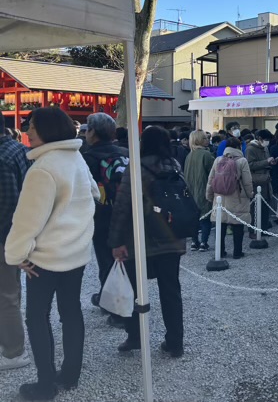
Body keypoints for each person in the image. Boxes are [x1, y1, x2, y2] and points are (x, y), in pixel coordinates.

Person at [5, 107, 99, 399]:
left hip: (44, 258)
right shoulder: (76, 158)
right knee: (71, 313)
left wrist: (17, 254)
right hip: (76, 254)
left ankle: (45, 384)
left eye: (32, 126)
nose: (27, 131)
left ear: (46, 130)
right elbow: (94, 195)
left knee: (37, 317)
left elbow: (26, 220)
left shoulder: (43, 168)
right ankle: (70, 374)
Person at [109, 126, 186, 358]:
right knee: (171, 290)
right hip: (171, 236)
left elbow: (123, 206)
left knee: (133, 289)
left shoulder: (136, 167)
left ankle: (135, 337)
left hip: (140, 238)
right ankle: (175, 342)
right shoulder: (174, 165)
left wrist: (116, 240)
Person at [82, 113, 129, 329]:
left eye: (87, 129)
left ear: (93, 132)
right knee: (125, 259)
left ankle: (113, 305)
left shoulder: (88, 157)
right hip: (128, 213)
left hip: (101, 214)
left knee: (106, 260)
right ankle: (118, 297)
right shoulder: (126, 154)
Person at [0, 126, 31, 372]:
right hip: (20, 231)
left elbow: (6, 202)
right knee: (11, 292)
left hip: (4, 235)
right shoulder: (21, 150)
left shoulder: (2, 157)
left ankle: (13, 352)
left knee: (6, 296)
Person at [206, 138, 253, 259]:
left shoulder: (218, 160)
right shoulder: (242, 161)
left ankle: (220, 252)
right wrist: (250, 194)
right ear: (239, 147)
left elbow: (211, 180)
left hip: (220, 197)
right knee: (238, 225)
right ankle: (237, 252)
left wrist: (209, 195)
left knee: (220, 226)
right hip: (237, 197)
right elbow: (247, 181)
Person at [183, 130, 214, 251]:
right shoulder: (206, 155)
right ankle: (204, 242)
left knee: (195, 219)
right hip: (203, 188)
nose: (208, 140)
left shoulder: (189, 155)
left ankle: (194, 242)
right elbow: (212, 172)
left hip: (191, 189)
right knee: (205, 218)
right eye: (205, 138)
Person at [246, 129, 276, 236]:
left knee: (265, 206)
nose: (267, 142)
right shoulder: (250, 149)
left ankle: (263, 229)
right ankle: (253, 230)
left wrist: (270, 162)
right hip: (256, 181)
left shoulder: (265, 148)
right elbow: (250, 165)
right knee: (255, 207)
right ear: (259, 139)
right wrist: (265, 162)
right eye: (266, 139)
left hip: (266, 180)